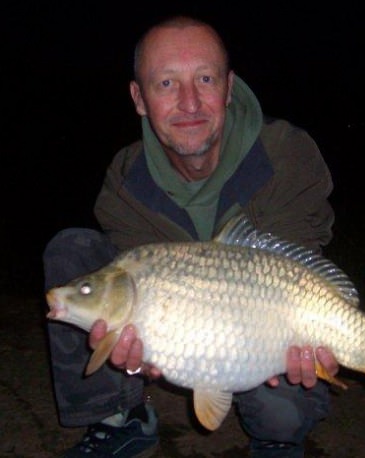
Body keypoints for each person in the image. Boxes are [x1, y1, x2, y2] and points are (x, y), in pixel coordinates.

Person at [43, 15, 339, 458]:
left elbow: (295, 272)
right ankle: (120, 419)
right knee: (73, 251)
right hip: (189, 322)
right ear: (139, 98)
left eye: (204, 78)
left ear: (229, 86)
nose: (189, 102)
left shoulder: (286, 154)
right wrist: (147, 352)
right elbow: (143, 302)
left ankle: (277, 439)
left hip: (266, 321)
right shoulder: (126, 181)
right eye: (165, 83)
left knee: (283, 408)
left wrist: (302, 340)